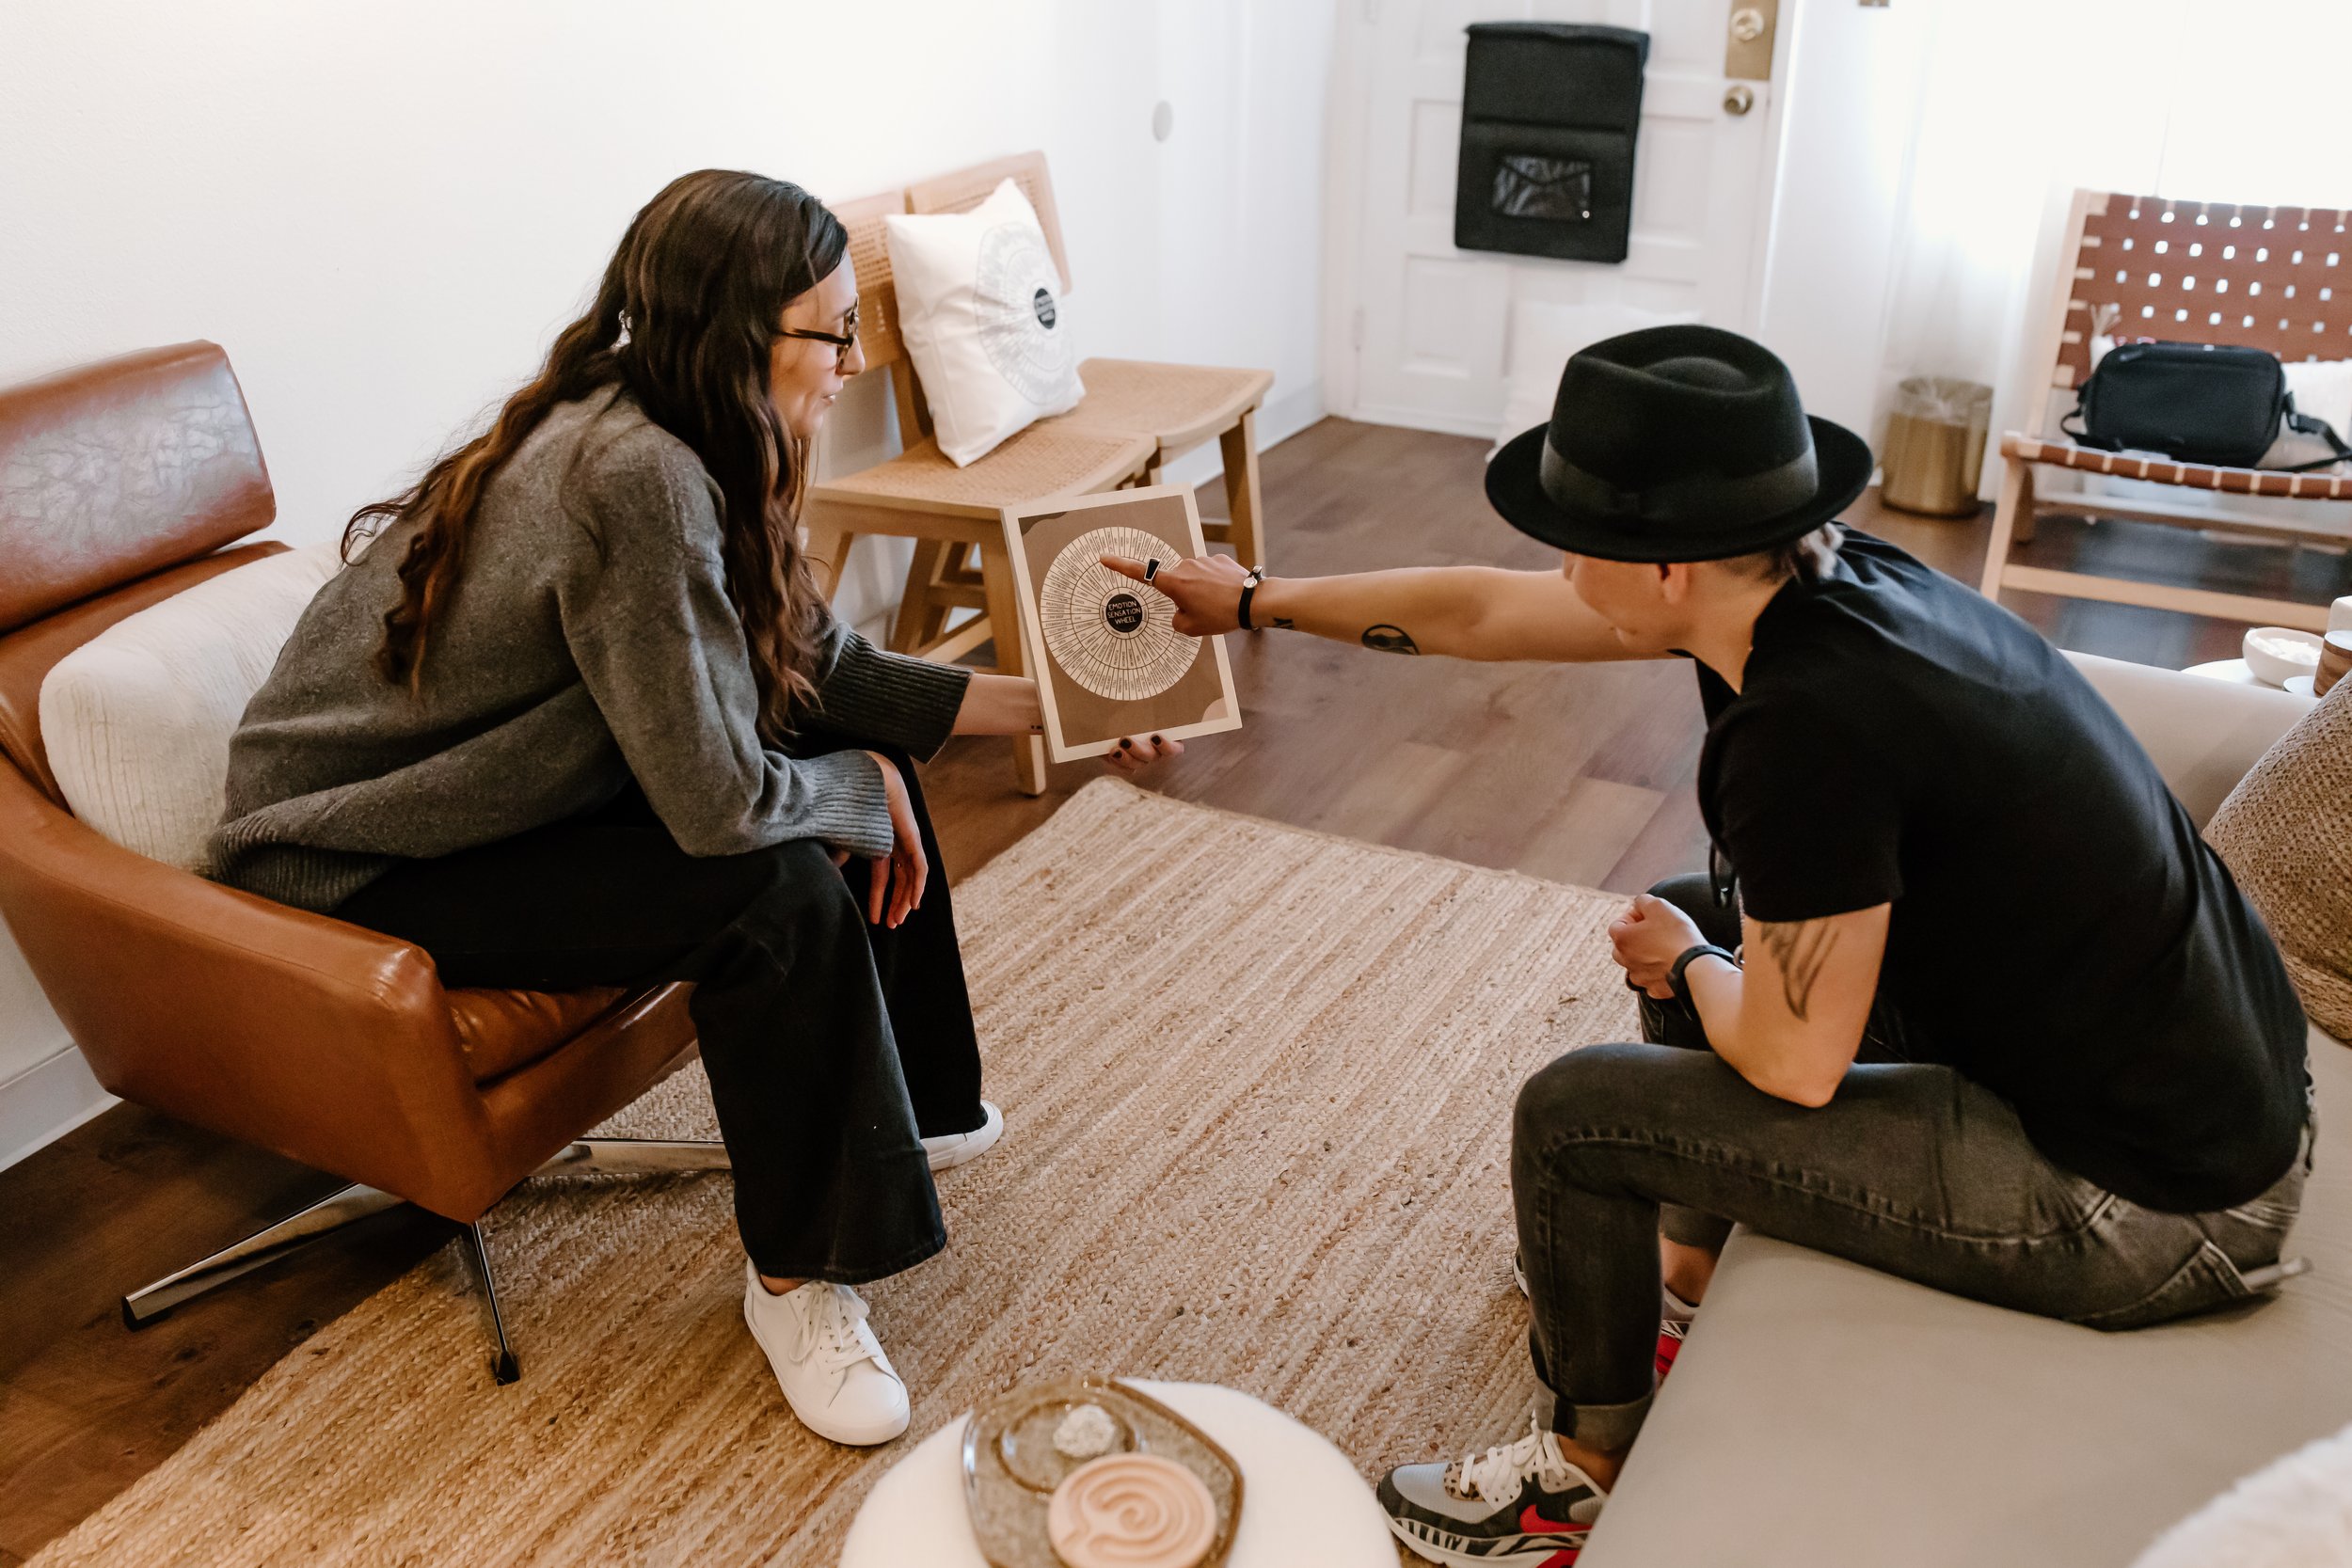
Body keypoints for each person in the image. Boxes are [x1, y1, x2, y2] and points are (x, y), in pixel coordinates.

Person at [1114, 325, 2312, 1565]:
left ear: (1669, 567)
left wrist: (1690, 962)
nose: (1564, 561)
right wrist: (1257, 599)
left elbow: (1796, 1064)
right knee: (1705, 901)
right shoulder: (1835, 585)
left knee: (1579, 1112)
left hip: (2150, 1207)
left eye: (1586, 541)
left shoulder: (1810, 731)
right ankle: (1685, 1280)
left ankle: (1574, 1477)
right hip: (2193, 1091)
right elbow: (1482, 606)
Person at [209, 169, 1180, 1448]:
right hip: (356, 853)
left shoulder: (692, 431)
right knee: (771, 886)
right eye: (828, 333)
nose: (848, 360)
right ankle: (796, 1283)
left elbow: (819, 666)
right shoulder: (635, 476)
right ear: (737, 334)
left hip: (488, 802)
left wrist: (1062, 698)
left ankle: (921, 1106)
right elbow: (722, 812)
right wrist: (860, 789)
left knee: (849, 745)